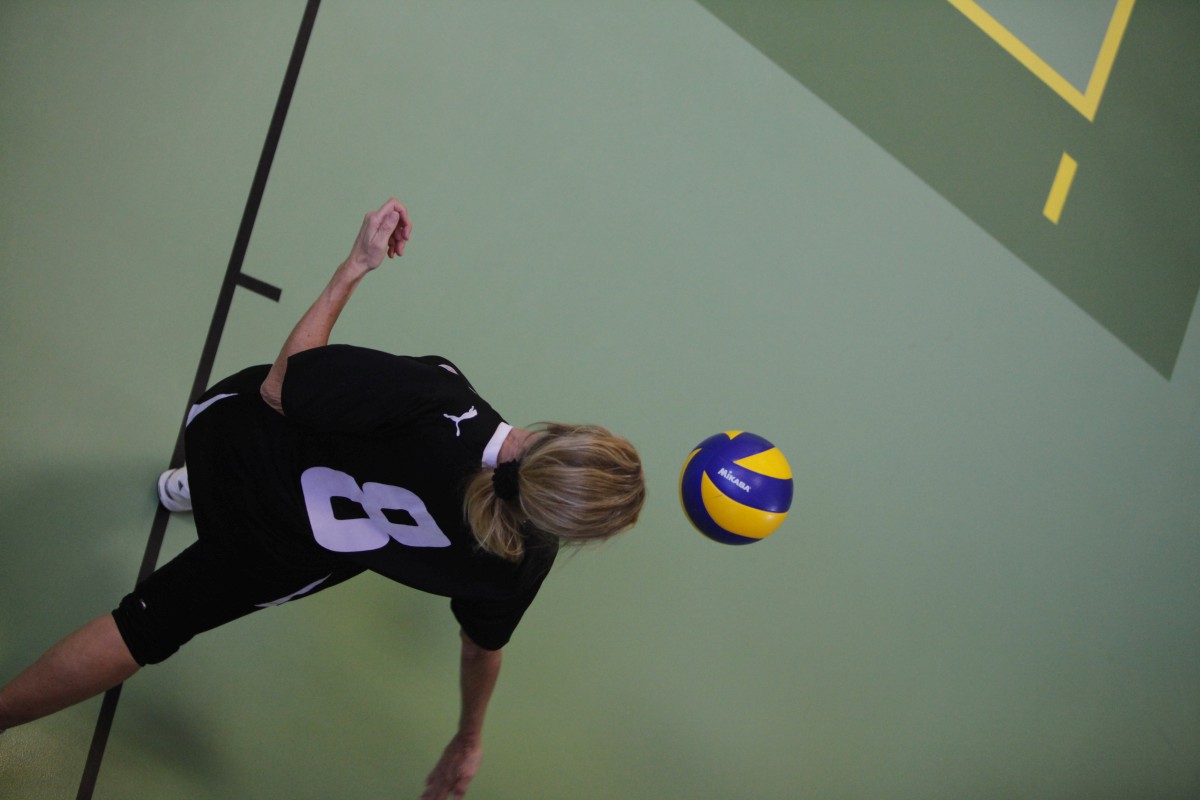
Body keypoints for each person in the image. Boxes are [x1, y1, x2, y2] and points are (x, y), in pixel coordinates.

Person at [0, 198, 646, 799]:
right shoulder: (519, 564)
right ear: (563, 526)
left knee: (246, 428)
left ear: (565, 431)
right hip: (282, 552)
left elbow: (282, 389)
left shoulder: (441, 400)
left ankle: (197, 486)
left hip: (234, 447)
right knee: (149, 627)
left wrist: (355, 266)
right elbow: (481, 650)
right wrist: (467, 739)